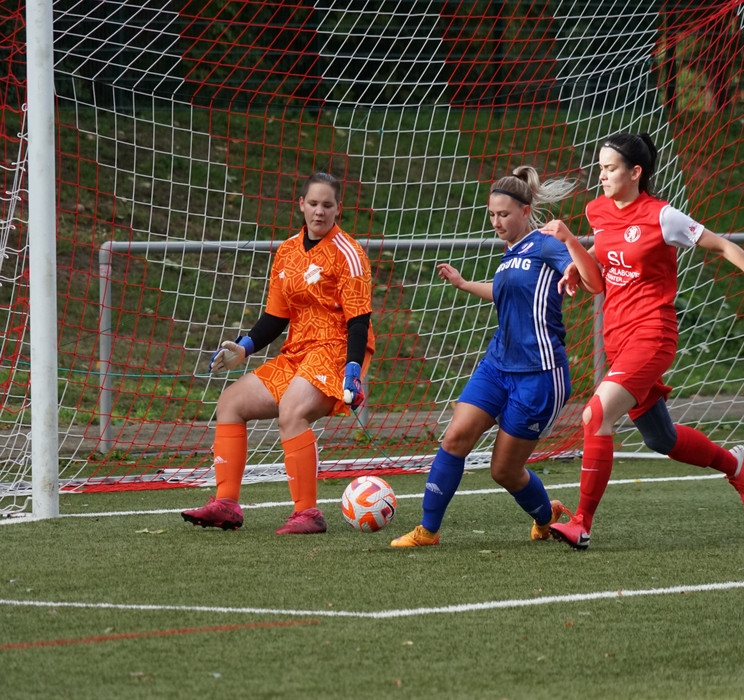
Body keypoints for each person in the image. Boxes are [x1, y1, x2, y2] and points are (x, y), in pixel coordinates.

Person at [540, 133, 744, 550]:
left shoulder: (663, 216)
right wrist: (578, 262)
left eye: (610, 168)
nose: (601, 175)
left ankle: (581, 523)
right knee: (660, 439)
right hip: (617, 337)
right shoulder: (597, 210)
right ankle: (734, 464)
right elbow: (604, 263)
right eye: (600, 167)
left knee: (595, 415)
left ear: (635, 172)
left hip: (652, 335)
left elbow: (723, 246)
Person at [390, 165, 603, 547]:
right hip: (497, 364)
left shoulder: (545, 244)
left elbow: (588, 280)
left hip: (539, 373)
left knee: (503, 470)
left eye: (504, 214)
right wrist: (463, 283)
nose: (496, 222)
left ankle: (546, 515)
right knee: (455, 438)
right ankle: (428, 530)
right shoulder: (511, 251)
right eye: (492, 214)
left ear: (525, 211)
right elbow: (505, 292)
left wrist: (574, 261)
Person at [182, 172, 375, 535]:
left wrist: (353, 369)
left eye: (327, 205)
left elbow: (359, 321)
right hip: (297, 353)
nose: (319, 211)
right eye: (313, 203)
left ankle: (308, 513)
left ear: (338, 209)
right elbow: (275, 317)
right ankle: (226, 504)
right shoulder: (287, 251)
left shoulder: (349, 253)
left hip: (335, 350)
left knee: (292, 410)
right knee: (230, 403)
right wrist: (244, 348)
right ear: (301, 204)